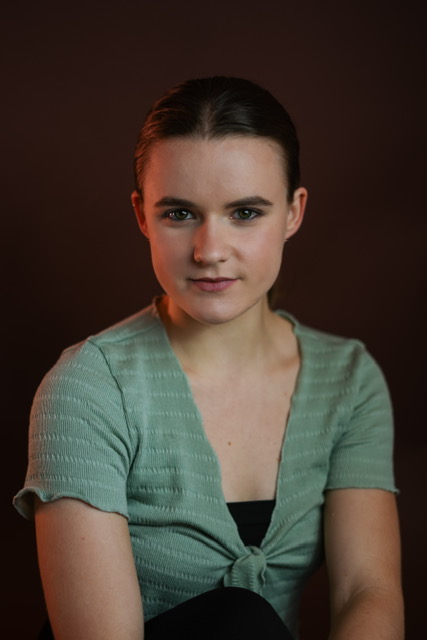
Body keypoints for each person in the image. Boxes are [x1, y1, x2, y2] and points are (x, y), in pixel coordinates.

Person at [14, 76, 404, 640]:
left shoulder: (348, 379)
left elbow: (366, 590)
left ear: (293, 212)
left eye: (245, 212)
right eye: (179, 214)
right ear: (142, 215)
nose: (209, 251)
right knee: (240, 618)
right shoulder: (88, 387)